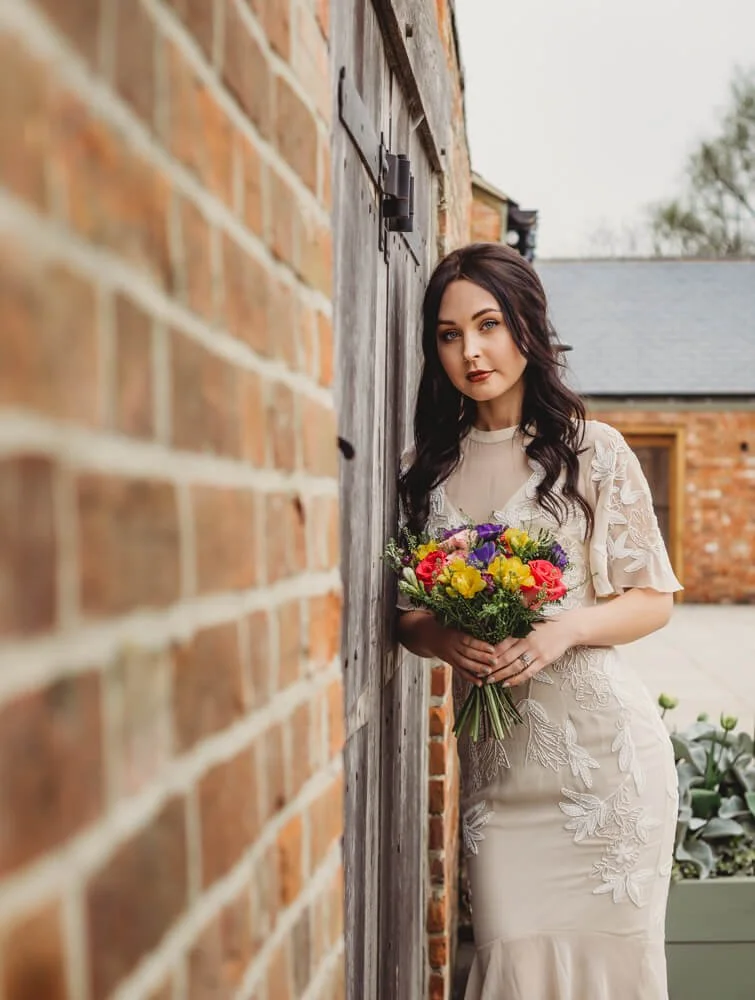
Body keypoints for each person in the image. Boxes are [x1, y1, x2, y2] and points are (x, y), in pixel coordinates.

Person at [397, 243, 681, 999]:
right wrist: (441, 638)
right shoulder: (426, 465)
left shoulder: (594, 451)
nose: (471, 350)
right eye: (449, 334)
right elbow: (406, 616)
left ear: (526, 325)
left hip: (607, 766)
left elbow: (653, 599)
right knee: (508, 966)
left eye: (487, 325)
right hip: (500, 779)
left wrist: (563, 629)